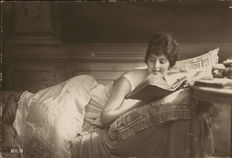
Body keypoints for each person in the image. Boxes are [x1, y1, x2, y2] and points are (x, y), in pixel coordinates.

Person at [2, 32, 211, 158]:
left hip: (88, 99)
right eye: (152, 60)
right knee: (51, 125)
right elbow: (106, 117)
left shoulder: (168, 78)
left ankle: (15, 106)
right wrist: (139, 102)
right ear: (147, 59)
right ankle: (11, 110)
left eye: (162, 61)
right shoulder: (130, 77)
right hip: (85, 99)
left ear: (171, 64)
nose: (156, 66)